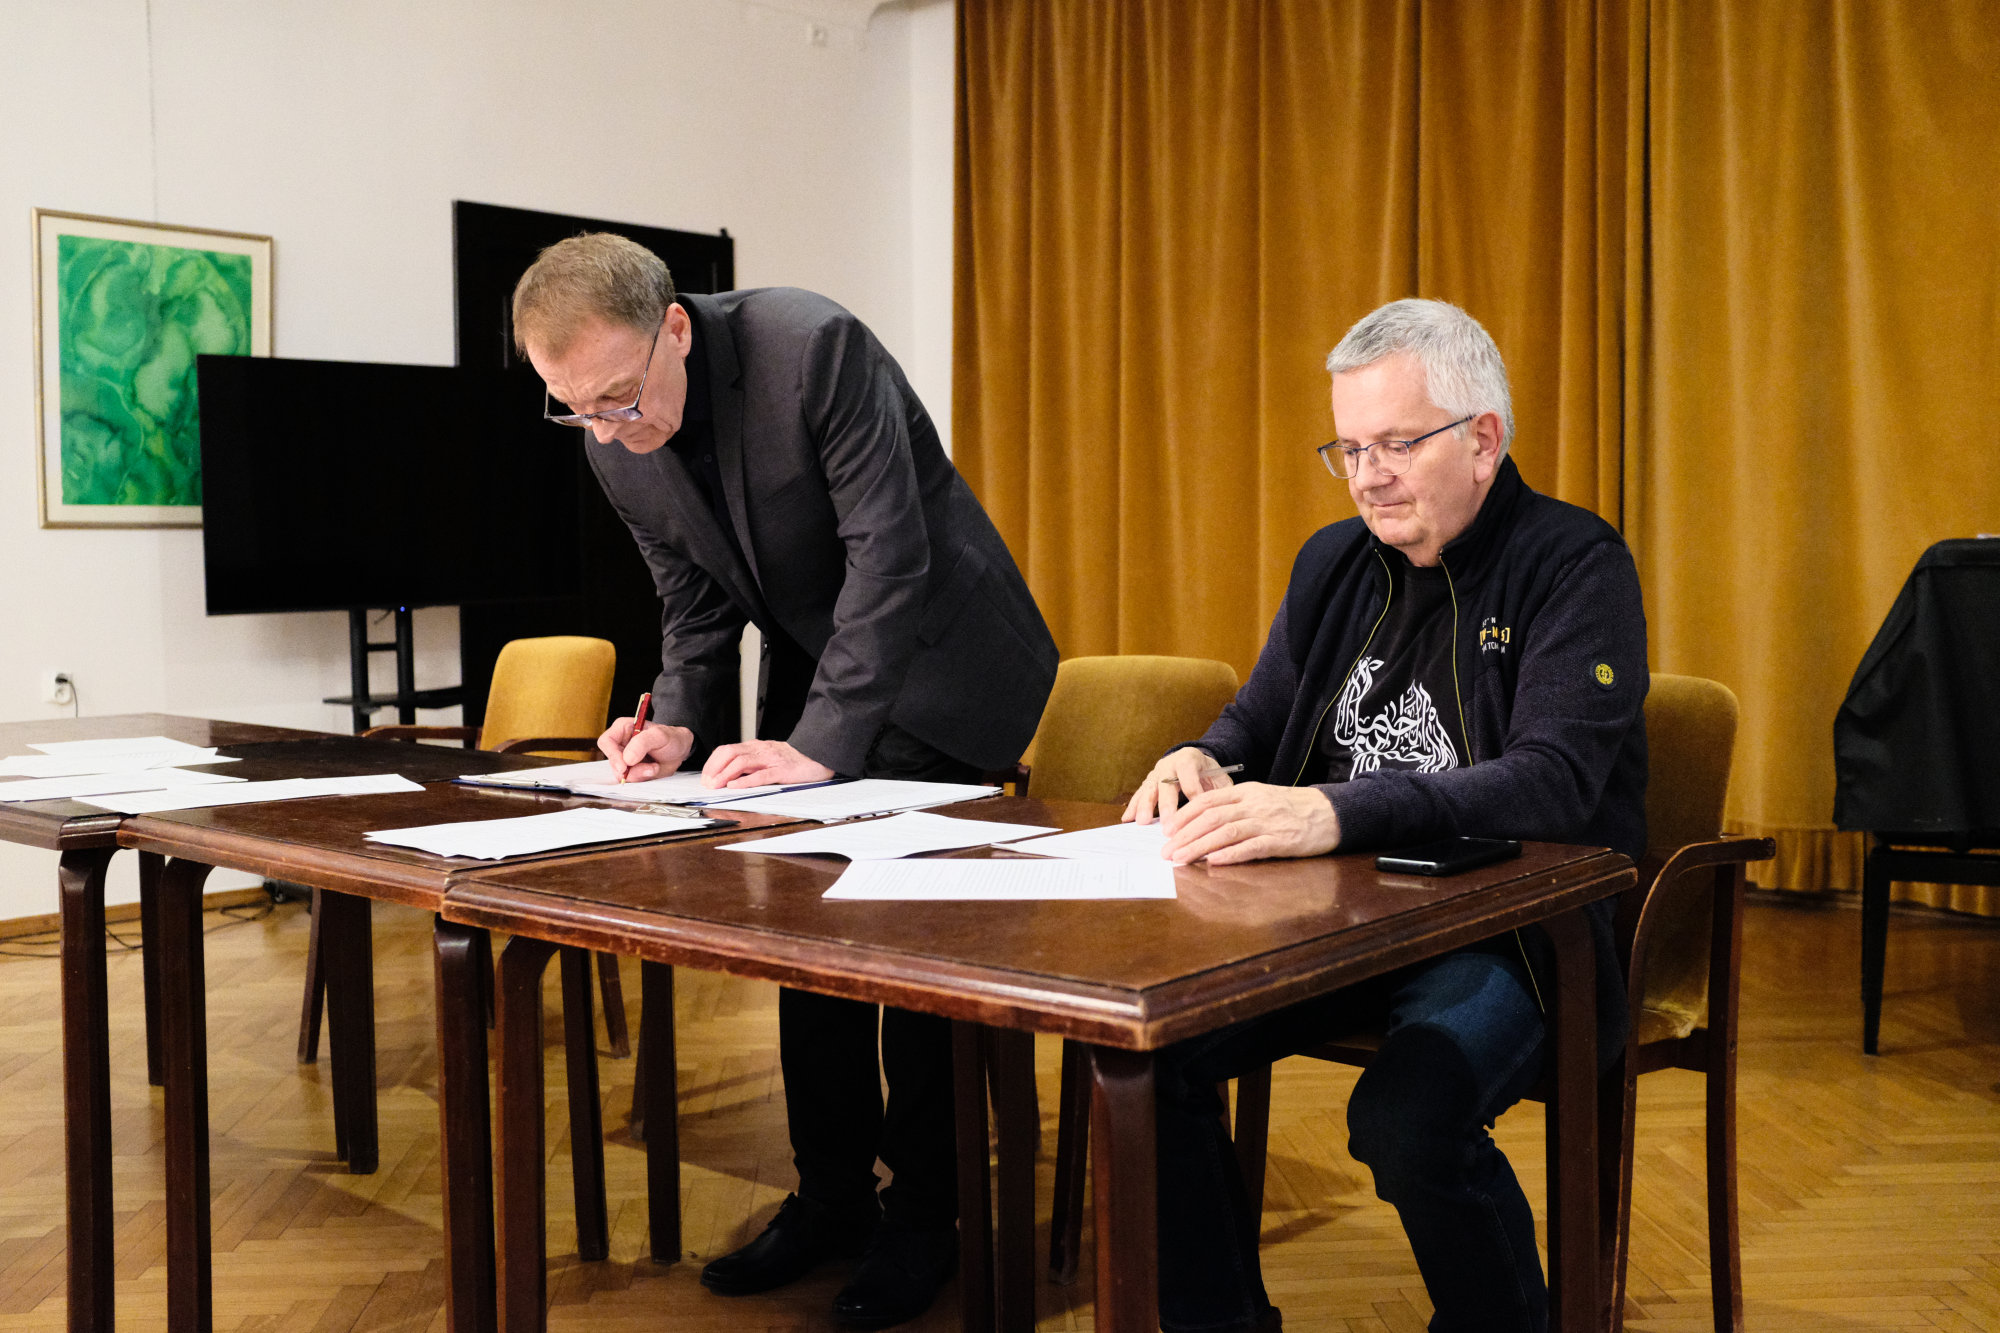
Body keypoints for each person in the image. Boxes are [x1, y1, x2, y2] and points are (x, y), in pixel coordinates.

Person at [512, 233, 1058, 1329]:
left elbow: (890, 555)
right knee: (806, 937)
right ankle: (831, 1196)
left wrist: (823, 742)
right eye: (574, 410)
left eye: (618, 397)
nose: (608, 429)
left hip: (943, 661)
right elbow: (693, 602)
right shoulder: (611, 438)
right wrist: (676, 724)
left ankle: (928, 1218)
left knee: (912, 952)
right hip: (827, 670)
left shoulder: (812, 348)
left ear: (674, 327)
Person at [1125, 298, 1647, 1333]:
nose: (1368, 476)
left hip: (1511, 934)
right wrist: (1203, 754)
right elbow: (1256, 719)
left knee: (1408, 1119)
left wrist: (1332, 812)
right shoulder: (1332, 561)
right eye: (1349, 449)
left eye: (1397, 444)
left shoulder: (1574, 562)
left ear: (1482, 440)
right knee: (1146, 1056)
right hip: (1331, 924)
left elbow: (1550, 781)